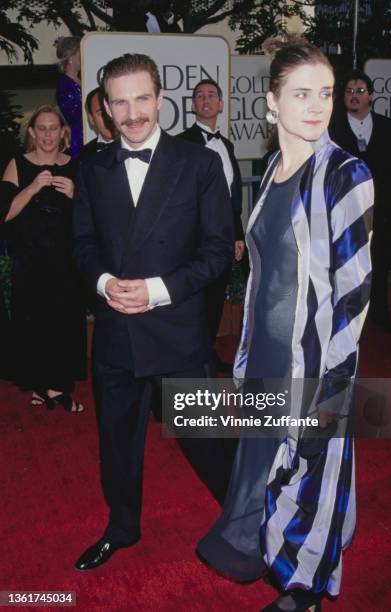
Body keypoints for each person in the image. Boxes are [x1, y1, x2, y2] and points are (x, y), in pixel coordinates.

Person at [197, 37, 374, 612]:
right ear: (272, 103)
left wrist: (335, 386)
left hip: (316, 361)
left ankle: (308, 590)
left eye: (324, 93)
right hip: (268, 353)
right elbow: (263, 276)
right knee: (263, 462)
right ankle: (268, 555)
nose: (317, 105)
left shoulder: (345, 174)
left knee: (312, 470)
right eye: (301, 93)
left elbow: (354, 291)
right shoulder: (274, 167)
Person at [72, 53, 234, 571]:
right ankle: (122, 527)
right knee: (117, 445)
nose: (132, 112)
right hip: (117, 333)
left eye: (142, 98)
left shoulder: (199, 164)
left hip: (176, 331)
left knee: (208, 443)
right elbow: (82, 244)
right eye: (119, 102)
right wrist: (103, 282)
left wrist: (157, 290)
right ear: (105, 108)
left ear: (161, 98)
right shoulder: (93, 167)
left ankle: (246, 521)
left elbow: (215, 252)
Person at [1, 105, 87, 411]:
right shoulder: (18, 165)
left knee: (62, 324)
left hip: (66, 262)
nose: (48, 134)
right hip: (30, 261)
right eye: (43, 128)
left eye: (54, 128)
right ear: (32, 133)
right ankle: (44, 387)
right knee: (34, 325)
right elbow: (6, 213)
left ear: (63, 132)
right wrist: (33, 187)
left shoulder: (75, 167)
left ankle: (54, 387)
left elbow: (94, 220)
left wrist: (76, 195)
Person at [329, 69, 391, 334]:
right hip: (345, 214)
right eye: (349, 91)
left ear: (371, 96)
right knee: (346, 269)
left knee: (380, 265)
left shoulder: (390, 128)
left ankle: (380, 315)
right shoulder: (331, 129)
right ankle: (346, 322)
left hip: (384, 214)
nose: (354, 96)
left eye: (360, 91)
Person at [179, 79, 245, 372]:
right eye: (199, 96)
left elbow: (233, 194)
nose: (206, 100)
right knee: (194, 305)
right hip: (193, 241)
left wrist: (237, 234)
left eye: (212, 96)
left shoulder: (227, 145)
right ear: (193, 106)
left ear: (220, 104)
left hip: (222, 239)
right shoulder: (181, 144)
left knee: (215, 300)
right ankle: (191, 360)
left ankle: (206, 355)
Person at [55, 36, 83, 158]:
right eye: (81, 53)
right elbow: (75, 113)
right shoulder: (65, 84)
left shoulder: (81, 80)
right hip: (77, 138)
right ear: (72, 55)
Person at [79, 87, 117, 162]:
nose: (108, 117)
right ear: (91, 119)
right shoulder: (84, 154)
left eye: (111, 110)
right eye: (101, 113)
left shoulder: (138, 147)